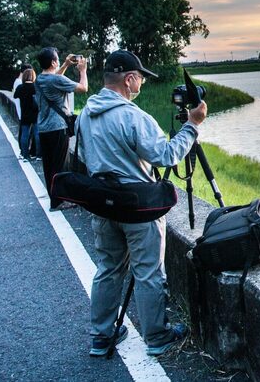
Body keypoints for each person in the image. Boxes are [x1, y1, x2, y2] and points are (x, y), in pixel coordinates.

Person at [77, 49, 207, 358]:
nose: (142, 85)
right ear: (130, 78)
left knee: (108, 268)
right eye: (141, 80)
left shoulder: (85, 113)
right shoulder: (133, 116)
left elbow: (83, 158)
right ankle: (157, 336)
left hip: (103, 206)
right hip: (137, 208)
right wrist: (193, 125)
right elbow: (166, 156)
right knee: (148, 271)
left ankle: (101, 335)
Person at [35, 47, 88, 210]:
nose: (59, 61)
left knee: (49, 165)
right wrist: (83, 71)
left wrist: (65, 65)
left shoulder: (39, 79)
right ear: (53, 62)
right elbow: (83, 88)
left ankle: (54, 198)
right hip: (58, 127)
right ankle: (59, 201)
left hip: (43, 127)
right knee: (60, 165)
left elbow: (55, 78)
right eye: (57, 59)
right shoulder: (55, 80)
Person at [13, 67, 39, 160]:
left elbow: (15, 96)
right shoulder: (35, 87)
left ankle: (25, 154)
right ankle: (38, 155)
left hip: (24, 113)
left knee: (25, 135)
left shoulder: (20, 87)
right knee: (37, 134)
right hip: (36, 113)